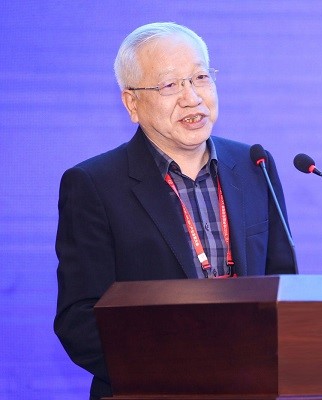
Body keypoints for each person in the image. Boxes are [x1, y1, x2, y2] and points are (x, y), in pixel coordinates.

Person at [54, 22, 296, 400]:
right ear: (132, 104)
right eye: (169, 85)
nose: (192, 98)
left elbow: (285, 286)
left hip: (252, 388)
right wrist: (185, 368)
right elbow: (80, 319)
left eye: (200, 77)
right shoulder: (94, 185)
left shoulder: (254, 165)